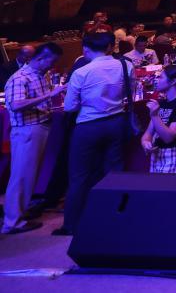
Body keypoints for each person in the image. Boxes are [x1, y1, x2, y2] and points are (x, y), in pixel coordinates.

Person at [56, 33, 131, 236]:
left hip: (88, 125)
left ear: (86, 49)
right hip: (116, 121)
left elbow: (70, 107)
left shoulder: (82, 72)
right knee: (114, 172)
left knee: (79, 176)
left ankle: (72, 224)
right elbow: (128, 92)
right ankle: (114, 217)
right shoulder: (125, 65)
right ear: (109, 47)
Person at [2, 42, 64, 234]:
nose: (52, 66)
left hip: (38, 127)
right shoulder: (20, 78)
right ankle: (12, 223)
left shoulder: (39, 75)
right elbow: (16, 104)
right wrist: (49, 95)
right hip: (27, 131)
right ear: (41, 58)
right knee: (21, 177)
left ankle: (18, 214)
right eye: (51, 62)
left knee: (28, 176)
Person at [142, 65, 176, 173]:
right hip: (157, 153)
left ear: (173, 81)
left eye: (161, 77)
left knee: (167, 184)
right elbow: (148, 133)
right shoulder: (162, 103)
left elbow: (169, 137)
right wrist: (145, 142)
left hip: (174, 154)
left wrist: (154, 115)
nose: (157, 80)